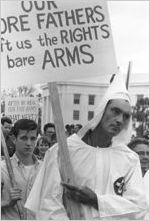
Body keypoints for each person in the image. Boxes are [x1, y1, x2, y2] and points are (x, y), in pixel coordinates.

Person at [25, 73, 147, 219]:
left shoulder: (129, 159)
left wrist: (97, 201)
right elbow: (49, 204)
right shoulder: (63, 151)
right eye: (115, 111)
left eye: (126, 116)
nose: (120, 120)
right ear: (102, 111)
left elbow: (138, 208)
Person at [1, 119, 42, 220]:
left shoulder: (44, 169)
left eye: (33, 139)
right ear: (14, 139)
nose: (29, 143)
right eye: (24, 138)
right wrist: (7, 202)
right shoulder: (2, 168)